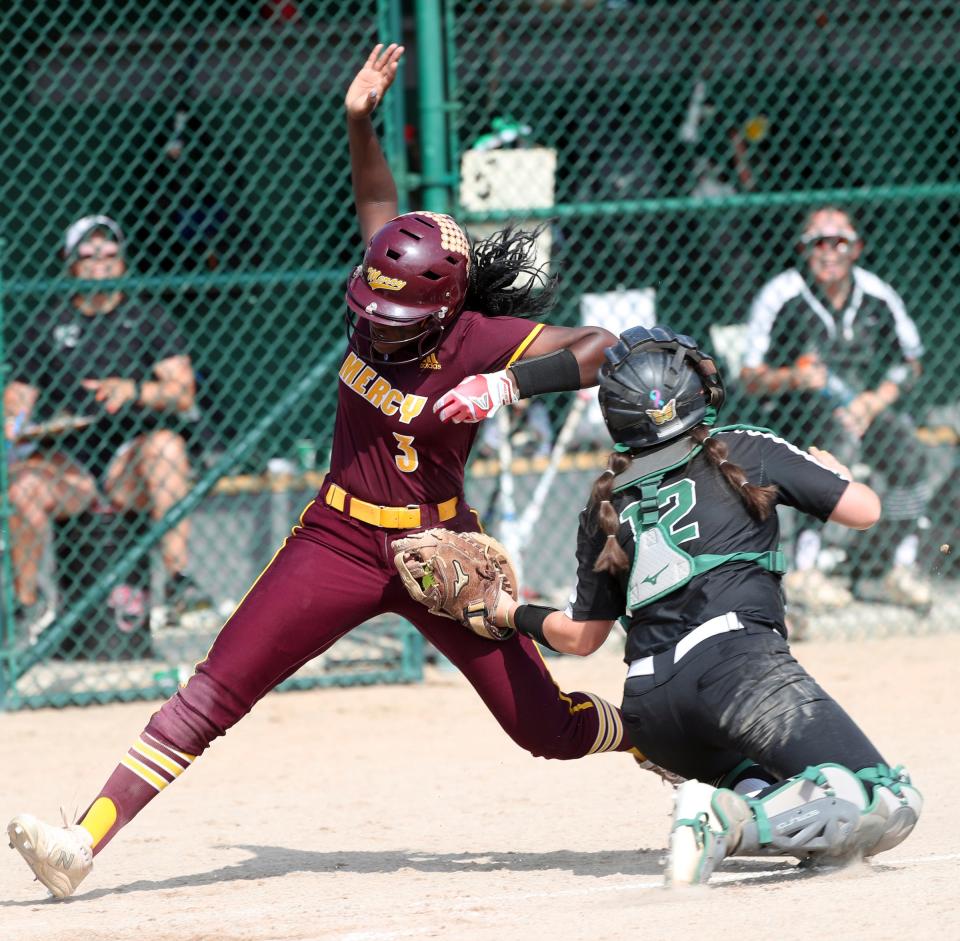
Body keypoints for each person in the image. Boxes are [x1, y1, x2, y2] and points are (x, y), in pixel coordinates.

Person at [5, 43, 672, 900]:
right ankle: (83, 839)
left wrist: (504, 383)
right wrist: (360, 120)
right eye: (372, 301)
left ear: (442, 308)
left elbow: (602, 348)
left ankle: (654, 738)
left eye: (398, 314)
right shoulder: (382, 290)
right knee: (216, 687)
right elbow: (378, 202)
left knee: (540, 728)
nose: (376, 322)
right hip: (338, 537)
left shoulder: (472, 336)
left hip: (439, 557)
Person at [480, 325, 922, 885]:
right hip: (739, 671)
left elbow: (581, 638)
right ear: (696, 390)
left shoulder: (604, 502)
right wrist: (838, 474)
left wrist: (508, 611)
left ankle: (746, 802)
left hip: (652, 711)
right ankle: (726, 825)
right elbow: (866, 511)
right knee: (888, 796)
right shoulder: (747, 447)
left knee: (812, 811)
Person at [3, 215, 212, 635]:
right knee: (24, 483)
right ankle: (25, 605)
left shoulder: (148, 318)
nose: (100, 260)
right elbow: (16, 403)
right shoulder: (46, 325)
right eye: (88, 252)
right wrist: (20, 426)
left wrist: (132, 391)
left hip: (127, 462)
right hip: (69, 466)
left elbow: (182, 391)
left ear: (123, 262)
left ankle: (177, 583)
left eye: (109, 252)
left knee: (167, 447)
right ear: (70, 263)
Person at [740, 206, 931, 609]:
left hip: (863, 407)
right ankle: (808, 571)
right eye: (818, 243)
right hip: (792, 414)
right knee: (832, 446)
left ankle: (899, 566)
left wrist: (874, 400)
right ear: (803, 249)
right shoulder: (783, 294)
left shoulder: (876, 295)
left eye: (839, 242)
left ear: (857, 248)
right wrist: (793, 377)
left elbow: (910, 361)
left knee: (910, 452)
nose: (829, 252)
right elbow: (749, 376)